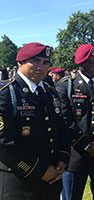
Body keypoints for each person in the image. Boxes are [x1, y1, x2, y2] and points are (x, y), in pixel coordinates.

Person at [0, 42, 71, 200]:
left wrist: (62, 160)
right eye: (35, 61)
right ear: (20, 63)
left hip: (51, 182)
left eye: (45, 62)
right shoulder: (6, 94)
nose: (41, 66)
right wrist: (40, 170)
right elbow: (3, 143)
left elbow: (61, 128)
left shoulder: (50, 92)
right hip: (20, 184)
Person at [56, 44, 94, 200]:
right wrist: (86, 145)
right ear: (79, 62)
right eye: (88, 60)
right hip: (76, 155)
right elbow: (65, 121)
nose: (93, 64)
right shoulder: (65, 86)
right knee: (72, 196)